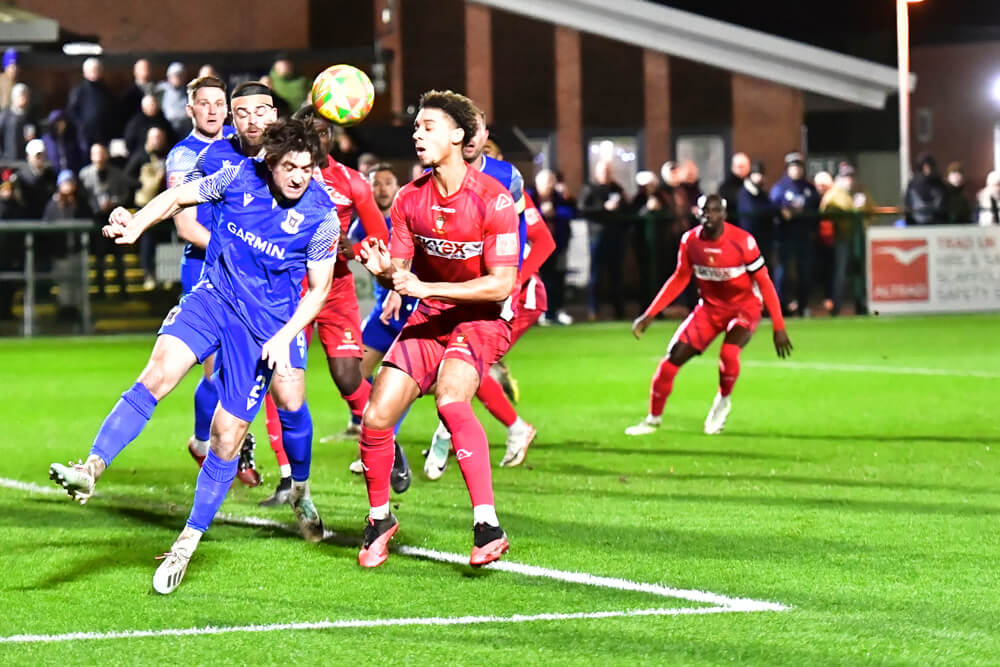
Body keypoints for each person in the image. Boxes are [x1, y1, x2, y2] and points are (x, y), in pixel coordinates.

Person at [48, 118, 338, 595]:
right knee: (157, 374)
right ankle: (91, 468)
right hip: (214, 300)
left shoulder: (321, 216)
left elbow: (319, 289)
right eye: (290, 166)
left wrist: (286, 335)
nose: (299, 176)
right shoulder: (238, 176)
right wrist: (138, 222)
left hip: (264, 328)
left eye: (307, 168)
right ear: (270, 162)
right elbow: (179, 197)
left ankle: (187, 541)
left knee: (228, 436)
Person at [353, 89, 518, 568]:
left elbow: (501, 284)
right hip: (430, 315)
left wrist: (423, 287)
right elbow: (401, 275)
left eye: (428, 126)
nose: (417, 133)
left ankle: (488, 524)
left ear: (458, 136)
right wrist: (383, 271)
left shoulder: (494, 199)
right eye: (416, 126)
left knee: (450, 399)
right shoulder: (409, 198)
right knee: (377, 416)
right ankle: (380, 517)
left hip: (483, 318)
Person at [424, 117, 554, 475]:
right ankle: (505, 426)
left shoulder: (508, 184)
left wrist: (513, 280)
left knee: (466, 366)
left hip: (517, 295)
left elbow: (543, 241)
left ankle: (453, 436)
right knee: (461, 368)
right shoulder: (440, 182)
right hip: (474, 293)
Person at [626, 194, 792, 436]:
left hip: (744, 308)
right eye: (705, 211)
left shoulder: (743, 242)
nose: (709, 216)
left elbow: (765, 283)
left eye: (715, 211)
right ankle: (653, 419)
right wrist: (650, 313)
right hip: (709, 309)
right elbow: (680, 278)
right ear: (698, 213)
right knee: (670, 361)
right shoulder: (690, 241)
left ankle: (722, 401)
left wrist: (779, 326)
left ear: (724, 215)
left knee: (729, 352)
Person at [163, 75, 256, 485]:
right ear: (191, 109)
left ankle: (232, 443)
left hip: (243, 267)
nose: (214, 110)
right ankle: (206, 443)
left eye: (220, 103)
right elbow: (186, 226)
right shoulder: (183, 156)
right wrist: (235, 249)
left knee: (245, 365)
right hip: (203, 265)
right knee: (214, 367)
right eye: (205, 103)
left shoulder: (241, 145)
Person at [291, 105, 390, 454]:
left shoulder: (351, 180)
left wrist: (356, 246)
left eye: (324, 133)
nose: (318, 140)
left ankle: (385, 442)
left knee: (349, 376)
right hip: (290, 289)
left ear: (334, 137)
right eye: (311, 132)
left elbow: (380, 233)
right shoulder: (282, 174)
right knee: (285, 380)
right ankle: (290, 476)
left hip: (336, 286)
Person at [341, 164, 419, 487]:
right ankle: (381, 433)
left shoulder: (405, 214)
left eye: (388, 182)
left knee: (409, 385)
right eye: (377, 184)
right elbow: (347, 248)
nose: (383, 189)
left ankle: (384, 439)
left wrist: (399, 286)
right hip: (382, 311)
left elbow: (413, 253)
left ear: (397, 185)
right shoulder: (365, 222)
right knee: (352, 373)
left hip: (410, 305)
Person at [78, 143, 134, 298]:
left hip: (114, 218)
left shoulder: (117, 173)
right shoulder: (84, 174)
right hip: (96, 220)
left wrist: (114, 202)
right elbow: (82, 196)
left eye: (101, 153)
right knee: (99, 255)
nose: (99, 157)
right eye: (95, 154)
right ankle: (100, 290)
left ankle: (122, 289)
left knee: (118, 255)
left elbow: (125, 193)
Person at [770, 151, 820, 316]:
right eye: (793, 166)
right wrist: (782, 211)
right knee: (783, 272)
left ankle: (802, 305)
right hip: (785, 236)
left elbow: (816, 207)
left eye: (798, 166)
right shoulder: (780, 188)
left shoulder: (808, 188)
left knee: (804, 272)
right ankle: (780, 307)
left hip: (804, 236)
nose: (796, 170)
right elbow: (773, 207)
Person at [578, 159, 627, 320]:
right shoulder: (590, 188)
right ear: (597, 173)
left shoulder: (617, 189)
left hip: (615, 237)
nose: (606, 174)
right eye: (603, 171)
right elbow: (582, 209)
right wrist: (603, 208)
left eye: (608, 171)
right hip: (597, 236)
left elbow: (627, 208)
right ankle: (594, 310)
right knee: (596, 275)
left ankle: (619, 311)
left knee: (617, 275)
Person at [527, 168, 574, 326]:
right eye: (545, 182)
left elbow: (570, 211)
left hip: (556, 245)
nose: (548, 186)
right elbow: (522, 214)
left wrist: (555, 213)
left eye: (550, 182)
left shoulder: (559, 197)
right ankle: (540, 313)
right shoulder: (529, 196)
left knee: (557, 278)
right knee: (538, 280)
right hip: (534, 246)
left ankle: (557, 311)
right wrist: (541, 213)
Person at [67, 58, 115, 153]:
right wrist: (82, 126)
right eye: (92, 70)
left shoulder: (106, 91)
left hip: (104, 135)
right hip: (85, 136)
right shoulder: (78, 91)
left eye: (97, 70)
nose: (95, 73)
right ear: (85, 72)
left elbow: (113, 111)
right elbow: (71, 112)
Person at [736, 160, 777, 271]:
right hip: (751, 240)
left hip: (764, 240)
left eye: (761, 174)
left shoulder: (762, 193)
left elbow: (771, 208)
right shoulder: (744, 194)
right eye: (756, 174)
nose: (759, 177)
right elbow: (754, 211)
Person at [124, 94, 173, 159]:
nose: (153, 107)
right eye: (150, 105)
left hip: (164, 155)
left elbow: (171, 137)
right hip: (142, 155)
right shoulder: (136, 122)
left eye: (153, 104)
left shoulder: (162, 119)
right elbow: (129, 142)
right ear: (143, 108)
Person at [903, 153, 947, 226]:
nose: (927, 168)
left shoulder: (939, 185)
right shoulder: (913, 185)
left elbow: (943, 206)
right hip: (917, 226)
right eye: (925, 166)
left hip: (937, 226)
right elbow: (908, 207)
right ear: (920, 167)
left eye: (930, 165)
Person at [41, 110, 86, 175]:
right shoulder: (46, 139)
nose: (59, 125)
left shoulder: (73, 136)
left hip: (73, 174)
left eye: (61, 122)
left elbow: (80, 153)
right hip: (54, 175)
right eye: (56, 123)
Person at [0, 83, 37, 160]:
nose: (24, 98)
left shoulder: (30, 116)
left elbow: (37, 135)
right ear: (14, 98)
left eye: (25, 95)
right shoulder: (5, 116)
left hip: (26, 158)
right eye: (21, 95)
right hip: (8, 158)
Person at [157, 62, 192, 138]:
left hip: (185, 132)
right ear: (169, 77)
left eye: (180, 75)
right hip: (167, 131)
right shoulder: (161, 91)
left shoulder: (190, 92)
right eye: (175, 75)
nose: (178, 78)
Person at [719, 152, 750, 224]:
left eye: (744, 166)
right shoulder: (726, 188)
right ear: (733, 167)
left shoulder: (753, 186)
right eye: (740, 166)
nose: (742, 169)